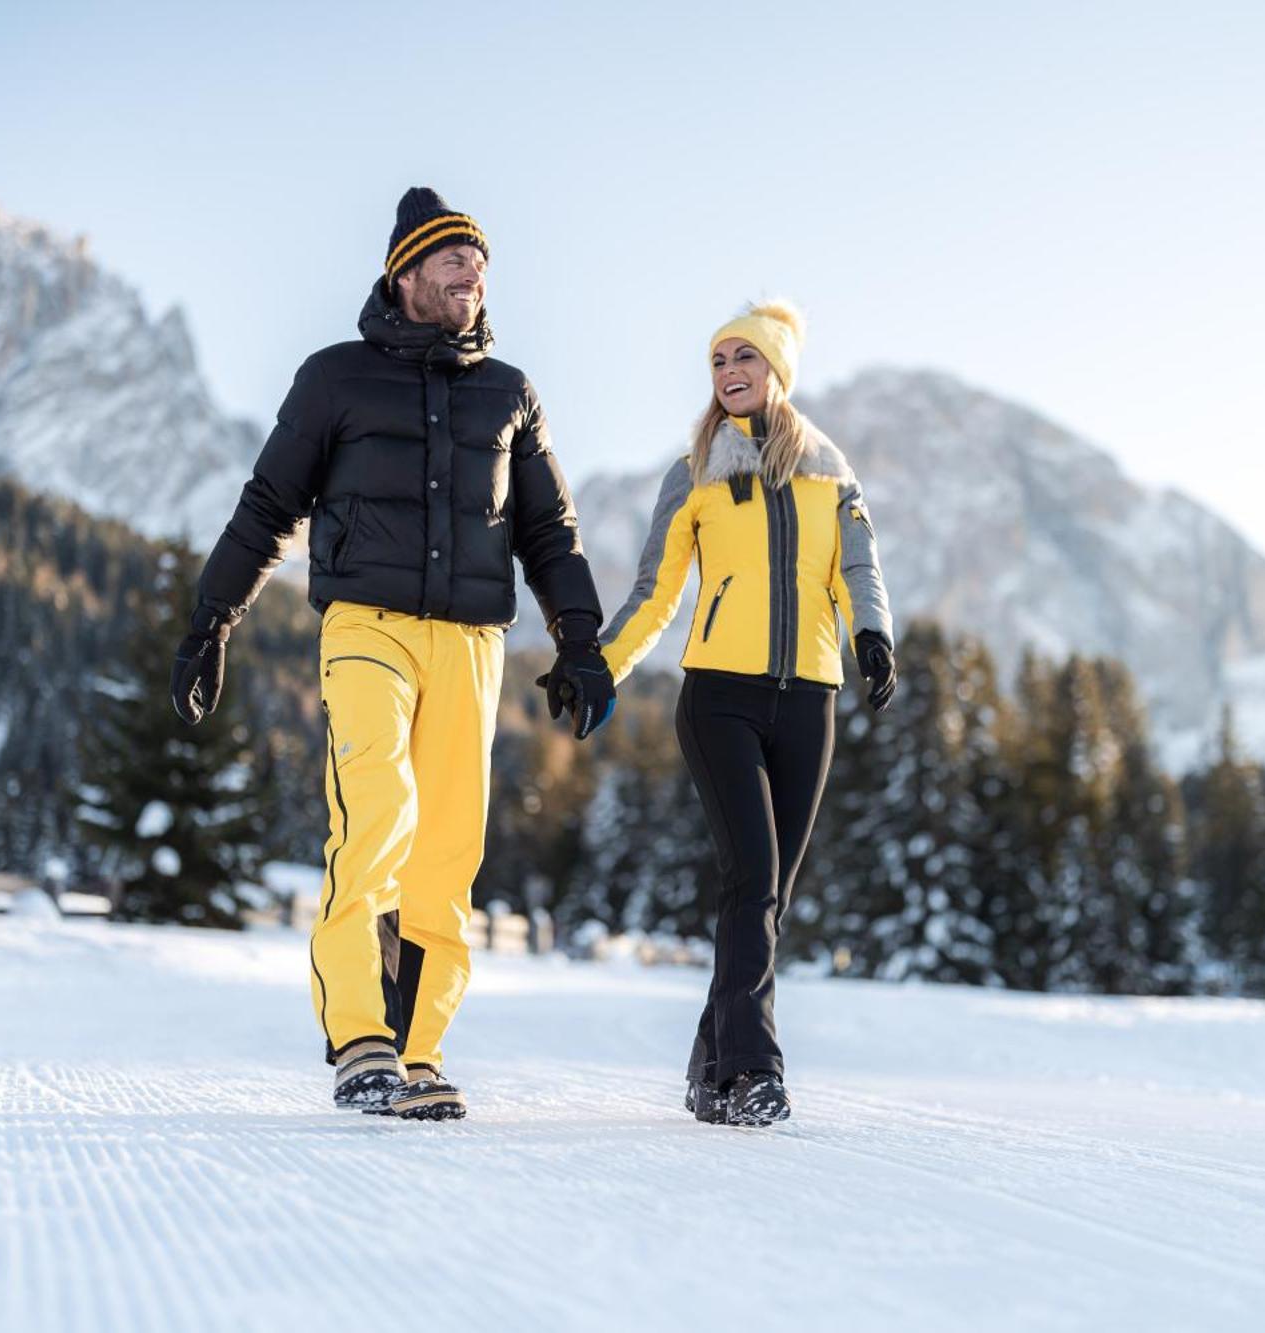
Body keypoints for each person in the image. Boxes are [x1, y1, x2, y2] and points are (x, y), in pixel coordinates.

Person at [171, 188, 616, 1121]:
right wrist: (213, 619)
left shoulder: (511, 392)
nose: (472, 272)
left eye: (480, 261)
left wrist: (581, 641)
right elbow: (267, 507)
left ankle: (418, 1051)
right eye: (452, 257)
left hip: (470, 642)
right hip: (365, 625)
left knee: (447, 847)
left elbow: (551, 530)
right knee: (377, 806)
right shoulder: (333, 378)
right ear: (406, 274)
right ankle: (361, 1036)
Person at [599, 300, 895, 1127]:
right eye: (719, 360)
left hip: (809, 697)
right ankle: (756, 1069)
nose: (729, 373)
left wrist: (872, 637)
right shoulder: (693, 471)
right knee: (754, 878)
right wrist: (601, 667)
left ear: (777, 372)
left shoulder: (830, 473)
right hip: (719, 696)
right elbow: (656, 592)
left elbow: (857, 569)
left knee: (767, 896)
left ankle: (710, 1067)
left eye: (745, 359)